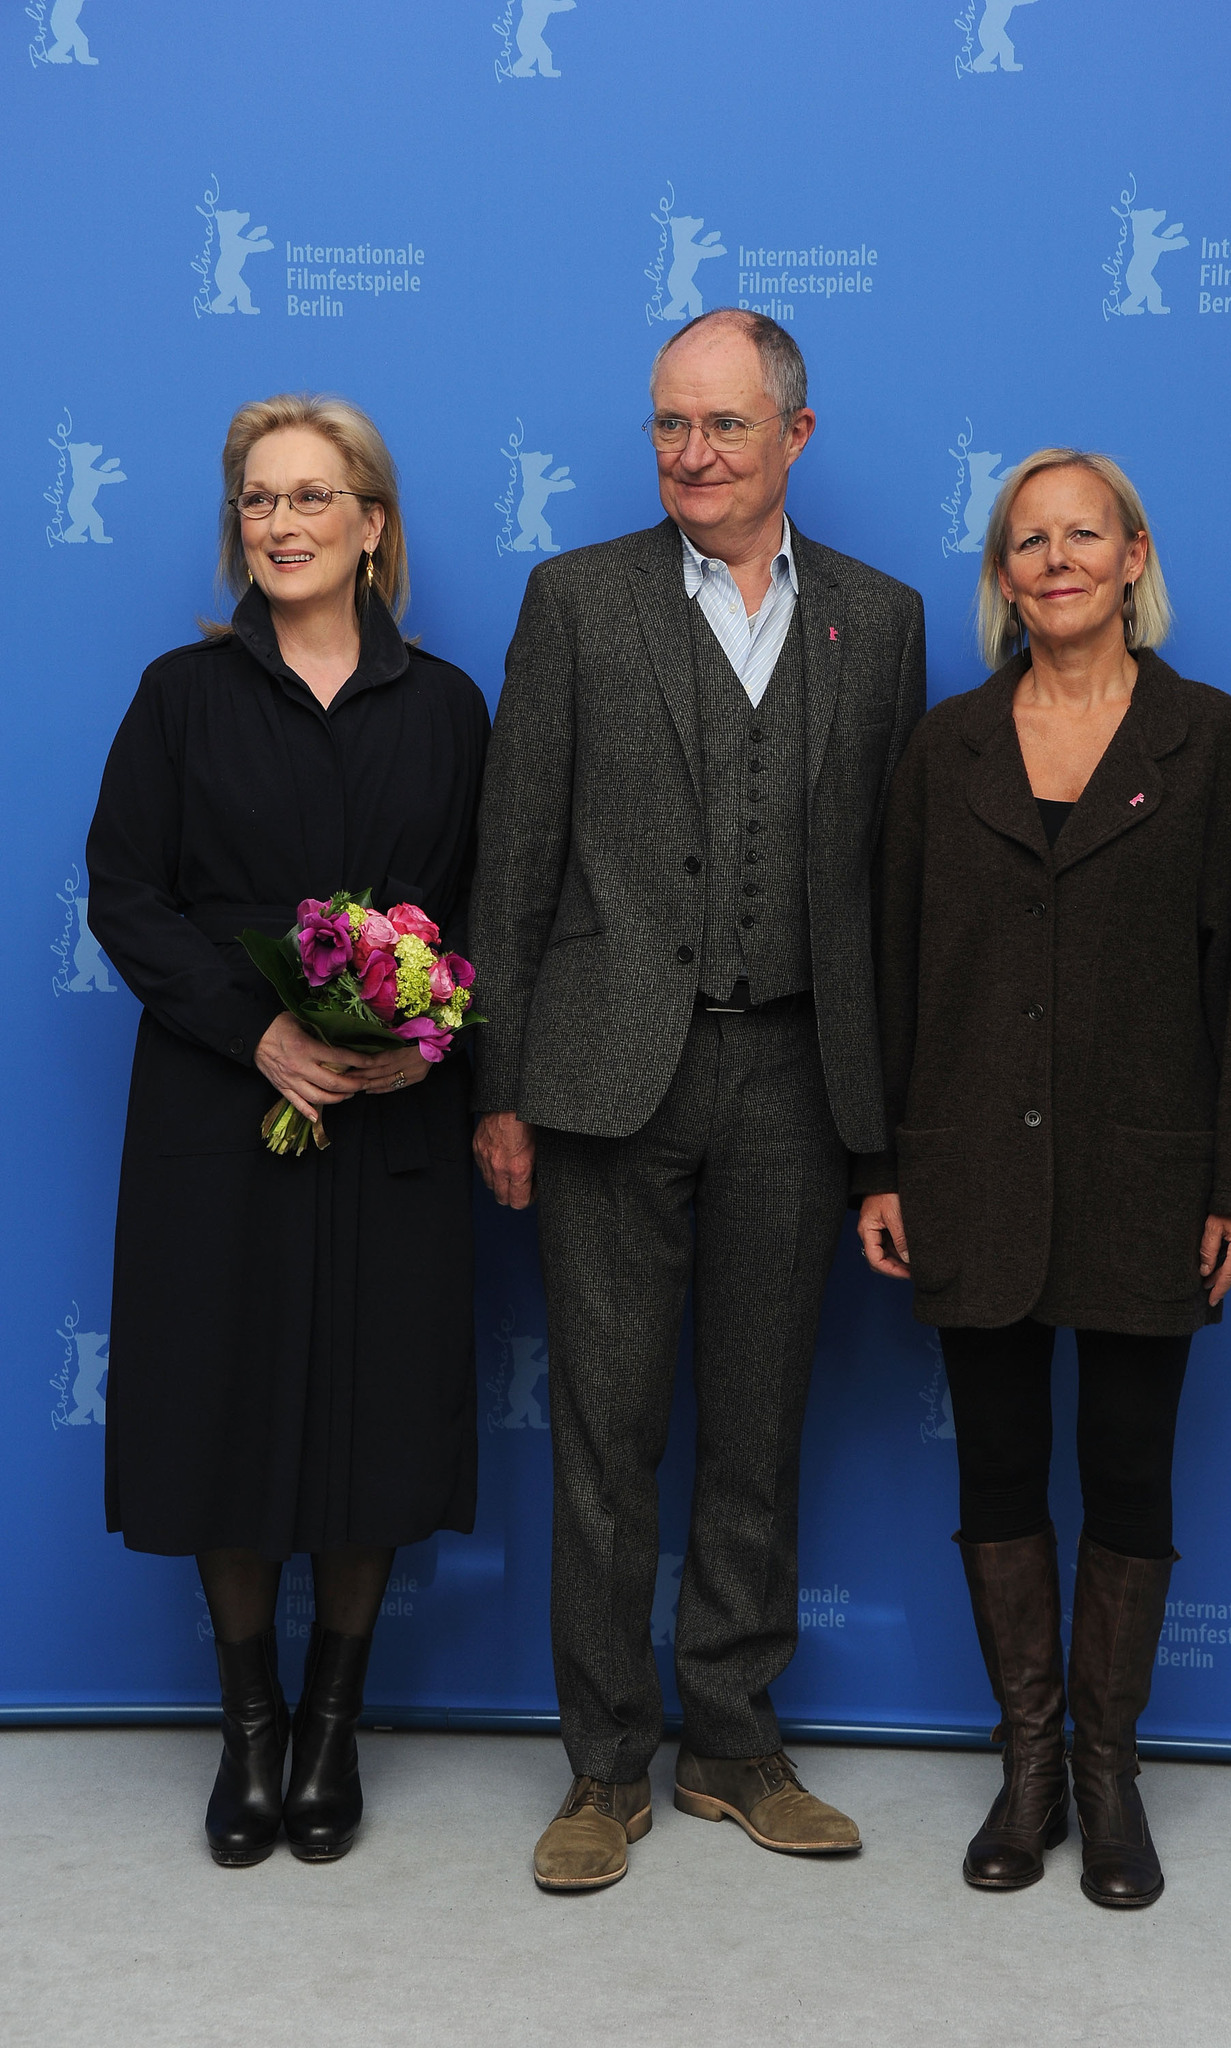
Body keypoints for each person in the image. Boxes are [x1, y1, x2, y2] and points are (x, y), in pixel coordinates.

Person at [470, 310, 925, 1890]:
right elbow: (513, 859)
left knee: (757, 1427)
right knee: (604, 1437)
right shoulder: (575, 600)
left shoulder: (883, 618)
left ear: (796, 436)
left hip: (799, 1075)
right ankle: (604, 1771)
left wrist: (884, 1134)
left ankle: (735, 1741)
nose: (692, 454)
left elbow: (883, 891)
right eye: (671, 425)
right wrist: (502, 1087)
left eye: (725, 427)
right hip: (603, 1082)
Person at [857, 448, 1231, 1909]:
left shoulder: (1212, 743)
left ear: (1132, 557)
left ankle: (1109, 1780)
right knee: (994, 1470)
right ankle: (1028, 1769)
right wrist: (882, 1164)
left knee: (1127, 1470)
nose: (1054, 559)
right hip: (968, 1163)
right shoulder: (945, 751)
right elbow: (893, 974)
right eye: (1025, 540)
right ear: (1000, 576)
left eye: (1081, 535)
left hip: (1147, 1176)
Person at [86, 394, 489, 1867]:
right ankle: (248, 1726)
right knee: (228, 1399)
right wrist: (254, 1030)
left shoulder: (448, 706)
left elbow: (483, 909)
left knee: (378, 1402)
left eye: (315, 497)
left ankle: (334, 1727)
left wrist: (424, 1032)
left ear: (371, 524)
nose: (284, 523)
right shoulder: (176, 699)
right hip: (217, 1100)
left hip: (390, 1116)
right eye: (260, 500)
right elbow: (124, 892)